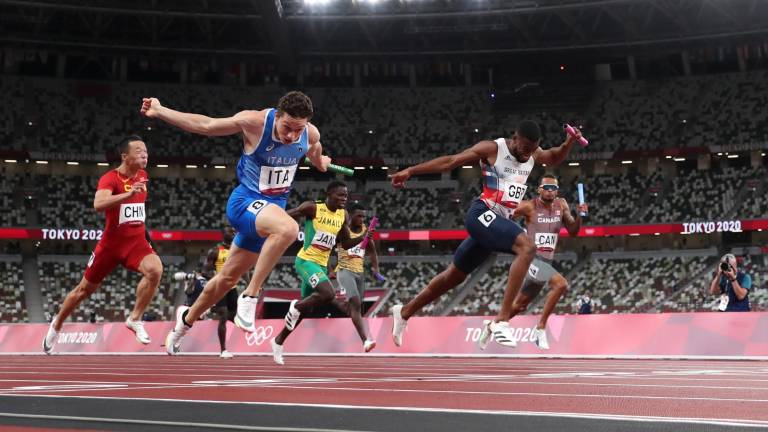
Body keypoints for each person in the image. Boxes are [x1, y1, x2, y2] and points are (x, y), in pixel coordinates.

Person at [141, 91, 332, 355]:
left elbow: (315, 151)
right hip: (245, 204)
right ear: (277, 116)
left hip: (268, 215)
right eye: (287, 127)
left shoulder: (309, 134)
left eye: (297, 129)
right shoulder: (254, 122)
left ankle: (184, 323)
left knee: (226, 279)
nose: (291, 135)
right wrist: (161, 111)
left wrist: (320, 162)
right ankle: (251, 295)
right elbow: (206, 125)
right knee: (289, 228)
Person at [388, 121, 582, 348]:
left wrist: (569, 142)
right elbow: (450, 161)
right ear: (515, 138)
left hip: (497, 222)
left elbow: (554, 157)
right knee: (527, 247)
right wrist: (411, 171)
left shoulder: (532, 153)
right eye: (524, 148)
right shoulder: (493, 149)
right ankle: (501, 321)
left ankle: (404, 311)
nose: (527, 154)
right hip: (481, 213)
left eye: (532, 150)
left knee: (454, 277)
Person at [42, 136, 164, 354]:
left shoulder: (143, 175)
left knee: (155, 270)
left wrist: (148, 240)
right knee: (83, 291)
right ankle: (57, 323)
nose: (145, 154)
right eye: (138, 151)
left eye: (146, 151)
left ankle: (135, 318)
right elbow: (98, 204)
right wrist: (128, 193)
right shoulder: (110, 178)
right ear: (125, 156)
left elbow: (136, 212)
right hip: (110, 246)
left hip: (136, 243)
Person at [270, 181, 373, 365]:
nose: (344, 199)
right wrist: (270, 223)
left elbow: (345, 243)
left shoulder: (342, 215)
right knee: (328, 293)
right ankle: (296, 306)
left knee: (306, 310)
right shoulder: (313, 208)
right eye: (340, 195)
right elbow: (287, 215)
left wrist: (362, 238)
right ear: (329, 195)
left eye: (346, 196)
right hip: (305, 261)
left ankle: (278, 341)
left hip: (321, 266)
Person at [479, 174, 587, 350]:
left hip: (546, 262)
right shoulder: (529, 206)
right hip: (531, 259)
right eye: (547, 188)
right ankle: (540, 329)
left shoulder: (562, 205)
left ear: (557, 191)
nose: (550, 191)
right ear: (539, 190)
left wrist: (580, 215)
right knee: (560, 284)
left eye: (553, 188)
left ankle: (492, 325)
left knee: (519, 306)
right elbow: (504, 216)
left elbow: (573, 231)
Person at [328, 203, 384, 352]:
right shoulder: (342, 230)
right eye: (359, 216)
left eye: (364, 217)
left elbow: (372, 251)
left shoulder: (365, 230)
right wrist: (330, 269)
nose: (362, 219)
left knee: (355, 308)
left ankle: (334, 301)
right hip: (344, 271)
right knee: (356, 302)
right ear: (350, 215)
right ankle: (365, 340)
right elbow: (328, 248)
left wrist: (375, 269)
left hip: (359, 273)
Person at [200, 227, 246, 359]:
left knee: (233, 316)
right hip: (220, 287)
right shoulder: (215, 251)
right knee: (224, 316)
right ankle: (223, 350)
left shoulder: (237, 250)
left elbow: (243, 269)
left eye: (234, 232)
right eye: (229, 232)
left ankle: (212, 309)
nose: (233, 233)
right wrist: (216, 279)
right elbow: (204, 272)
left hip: (233, 288)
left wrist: (250, 284)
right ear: (223, 234)